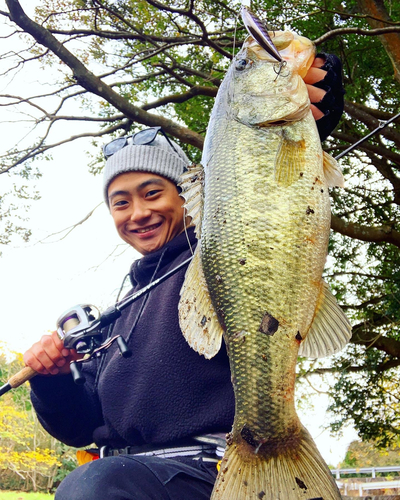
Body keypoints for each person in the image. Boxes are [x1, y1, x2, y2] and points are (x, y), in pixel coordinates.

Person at [23, 53, 344, 500]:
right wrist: (50, 378)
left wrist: (308, 122)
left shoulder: (216, 260)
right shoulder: (118, 314)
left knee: (94, 485)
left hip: (212, 473)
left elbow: (269, 193)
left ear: (190, 192)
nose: (138, 213)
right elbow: (80, 428)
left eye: (152, 193)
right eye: (121, 202)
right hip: (120, 478)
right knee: (93, 481)